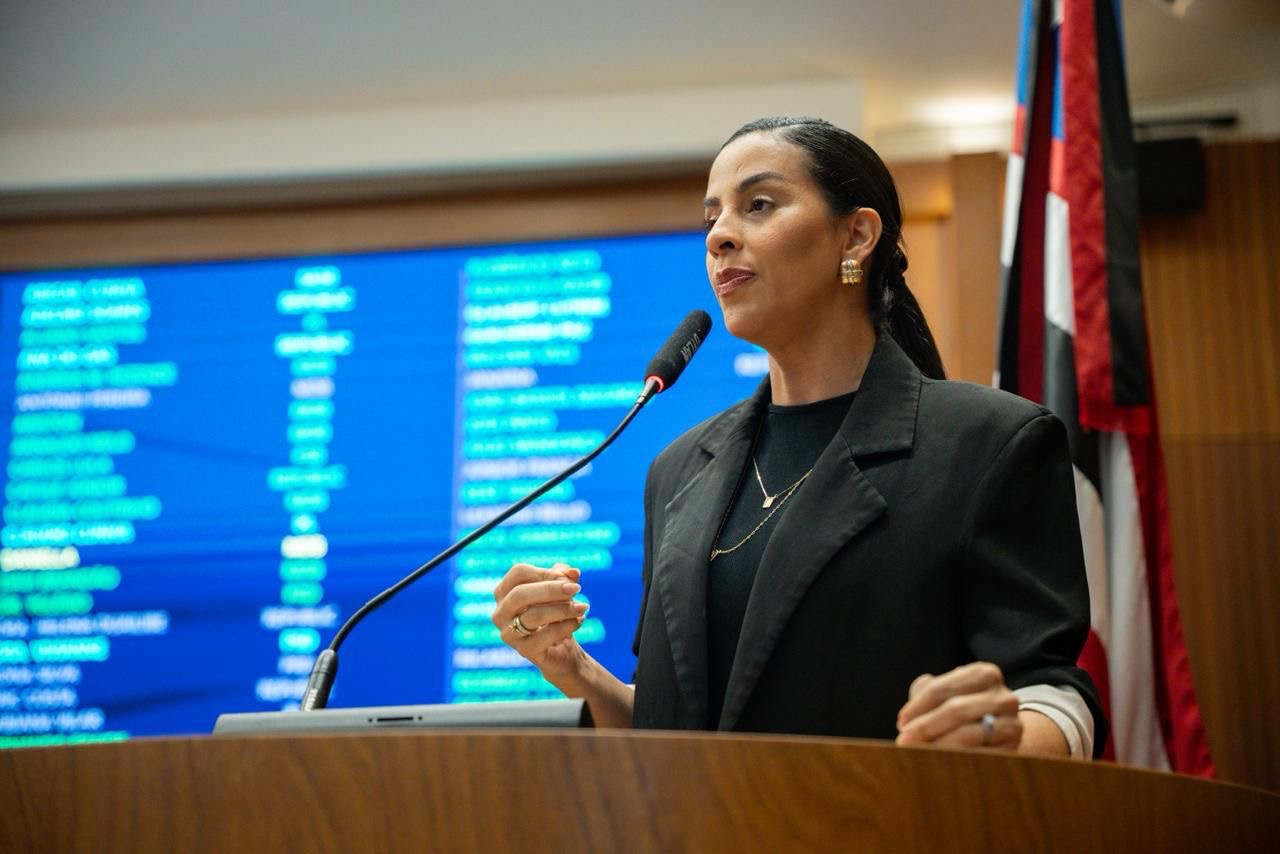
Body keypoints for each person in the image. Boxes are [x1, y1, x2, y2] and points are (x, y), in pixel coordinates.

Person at [492, 116, 1105, 757]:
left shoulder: (990, 444)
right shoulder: (677, 471)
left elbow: (1055, 695)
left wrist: (998, 738)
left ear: (856, 236)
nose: (720, 236)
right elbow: (674, 737)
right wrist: (575, 670)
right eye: (712, 219)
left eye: (758, 205)